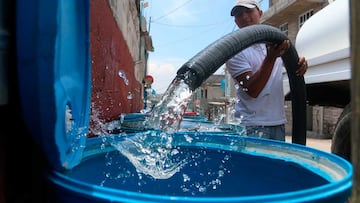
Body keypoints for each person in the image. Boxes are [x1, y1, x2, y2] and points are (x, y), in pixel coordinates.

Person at [226, 0, 308, 141]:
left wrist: (300, 63)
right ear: (235, 20)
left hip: (278, 123)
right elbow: (252, 90)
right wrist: (270, 58)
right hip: (250, 126)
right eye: (239, 14)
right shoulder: (234, 50)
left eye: (248, 11)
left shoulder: (273, 42)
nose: (244, 16)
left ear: (260, 13)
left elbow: (291, 64)